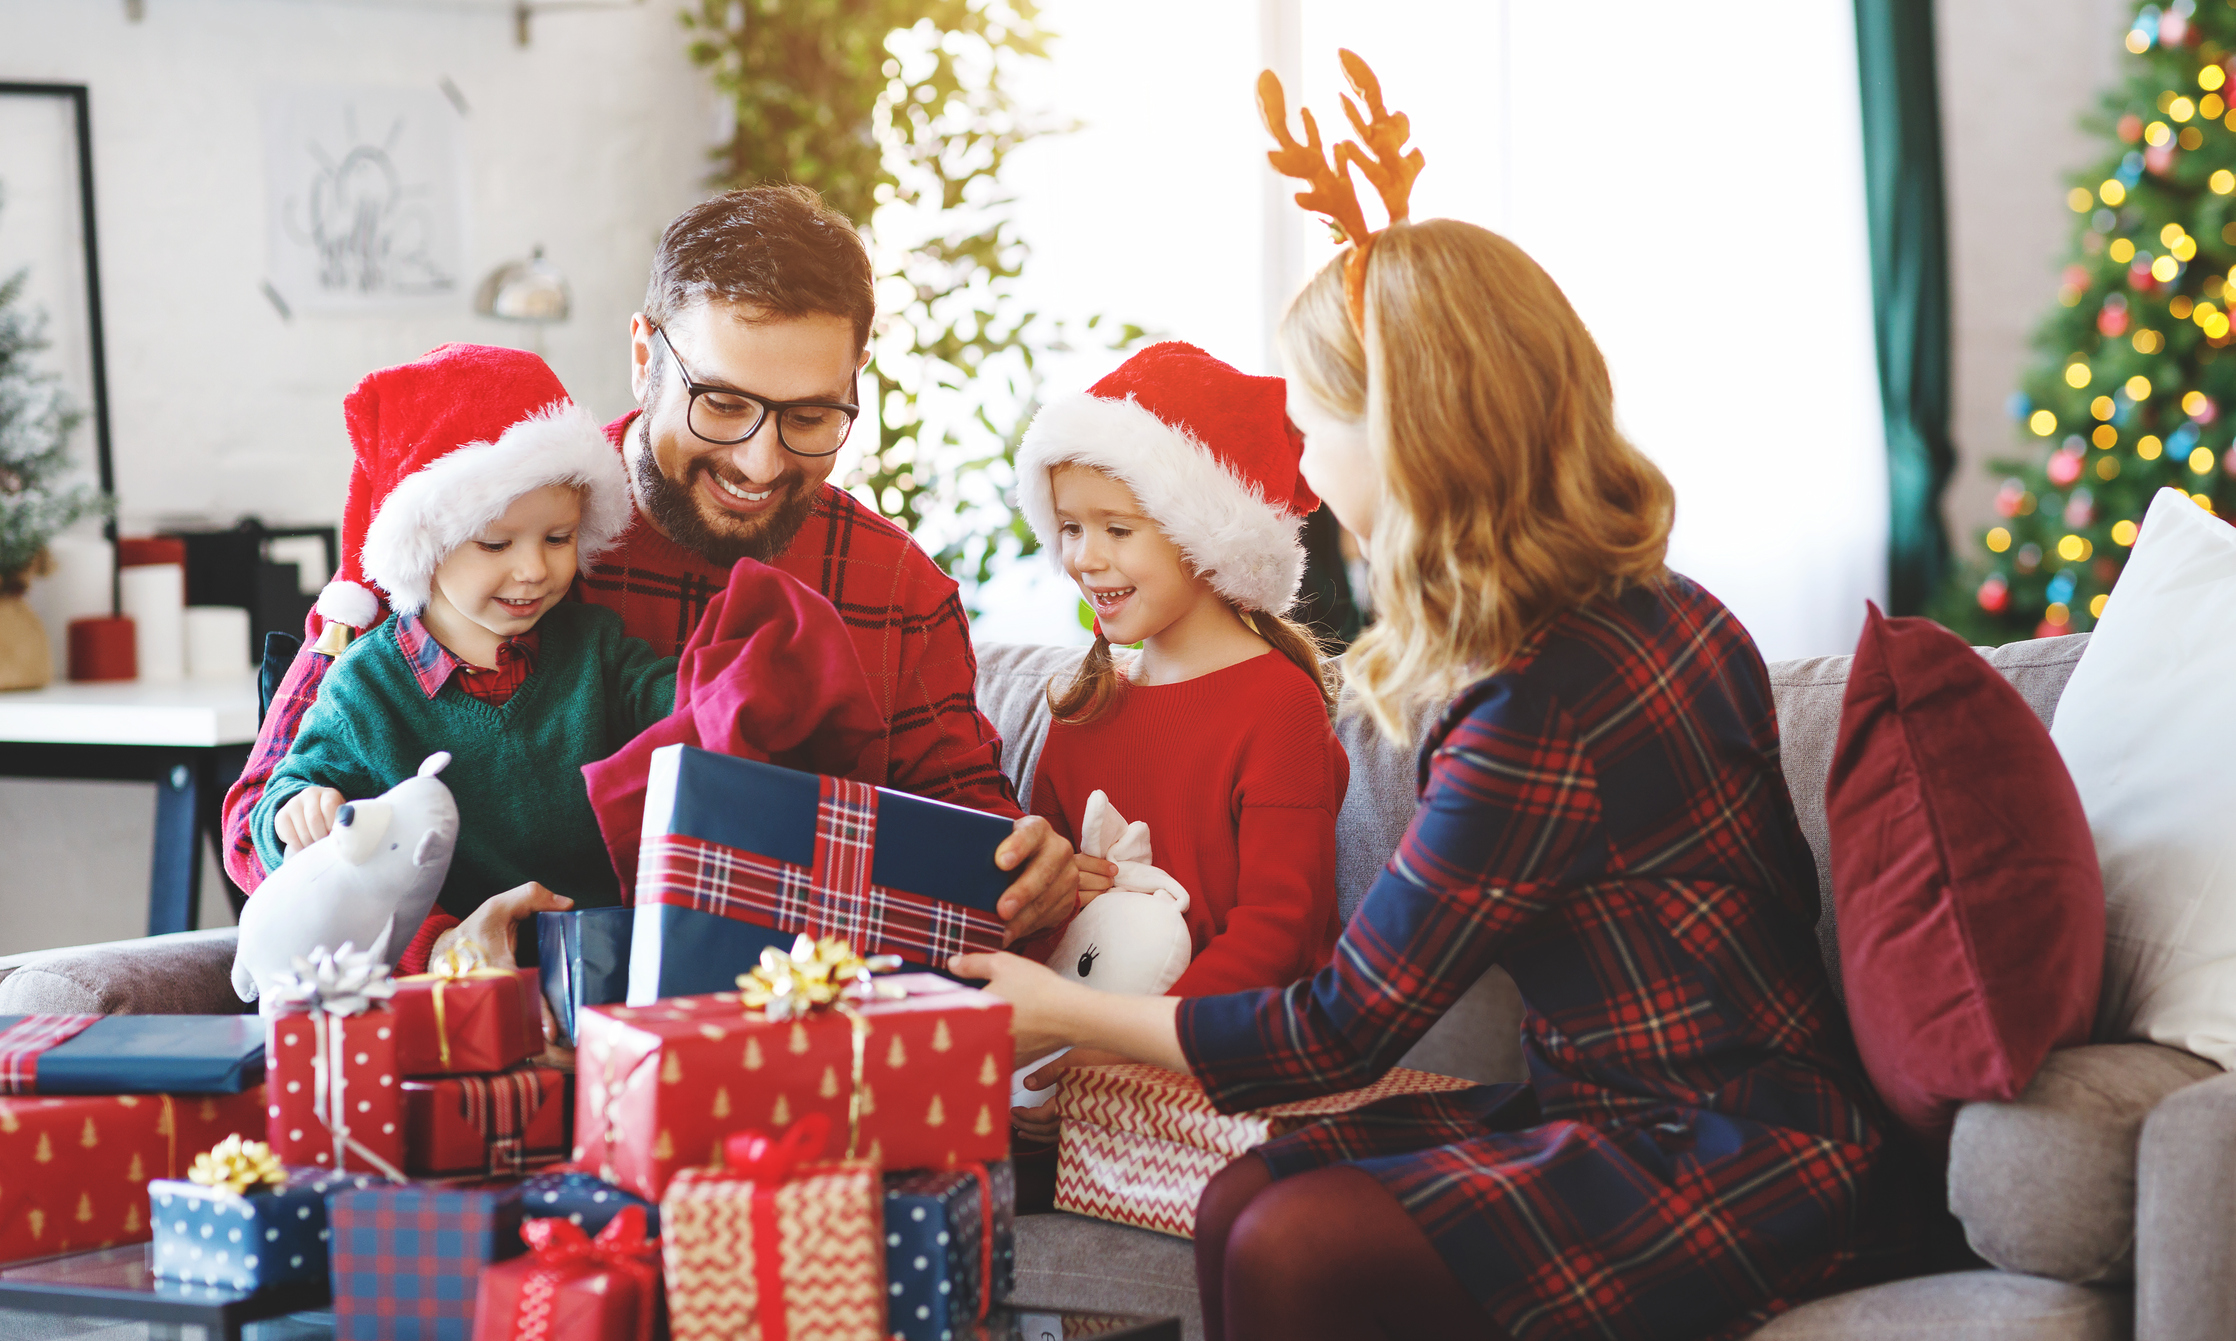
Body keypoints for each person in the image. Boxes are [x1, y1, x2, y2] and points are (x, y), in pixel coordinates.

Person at [953, 62, 1924, 1341]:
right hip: (1613, 1103)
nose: (1300, 469)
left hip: (1740, 1152)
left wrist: (1065, 1012)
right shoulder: (1641, 600)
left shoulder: (1546, 698)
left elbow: (1345, 1027)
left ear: (1405, 433)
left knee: (1294, 1244)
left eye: (1309, 428)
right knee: (1246, 1197)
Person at [220, 184, 1081, 969]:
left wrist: (1021, 864)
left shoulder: (895, 589)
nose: (761, 458)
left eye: (811, 415)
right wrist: (448, 950)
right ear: (645, 354)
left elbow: (970, 826)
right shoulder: (488, 509)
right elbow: (259, 821)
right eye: (724, 402)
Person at [1004, 340, 1348, 1150]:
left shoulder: (1279, 706)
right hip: (1060, 1060)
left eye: (1116, 528)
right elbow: (1042, 908)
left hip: (1212, 1068)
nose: (1084, 557)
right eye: (1069, 528)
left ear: (1206, 536)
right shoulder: (1086, 705)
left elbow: (1277, 934)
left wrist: (1115, 1048)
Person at [251, 345, 682, 915]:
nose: (533, 570)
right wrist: (297, 808)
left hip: (592, 954)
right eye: (496, 544)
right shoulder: (366, 686)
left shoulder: (595, 647)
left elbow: (682, 702)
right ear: (426, 544)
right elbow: (279, 797)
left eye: (559, 538)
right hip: (448, 975)